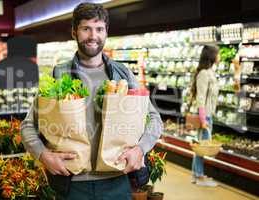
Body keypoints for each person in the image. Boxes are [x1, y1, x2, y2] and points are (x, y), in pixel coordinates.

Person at [21, 2, 163, 199]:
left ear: (106, 33)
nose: (93, 35)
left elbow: (155, 120)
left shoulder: (123, 74)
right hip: (72, 184)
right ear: (74, 32)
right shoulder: (59, 74)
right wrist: (45, 156)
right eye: (86, 28)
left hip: (117, 181)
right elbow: (28, 126)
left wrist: (140, 149)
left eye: (99, 29)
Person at [190, 45, 220, 187]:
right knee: (201, 147)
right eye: (217, 54)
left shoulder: (210, 73)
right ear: (212, 56)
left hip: (209, 115)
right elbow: (200, 98)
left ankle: (198, 174)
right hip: (204, 117)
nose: (219, 57)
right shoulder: (203, 74)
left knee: (202, 147)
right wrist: (203, 120)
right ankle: (198, 176)